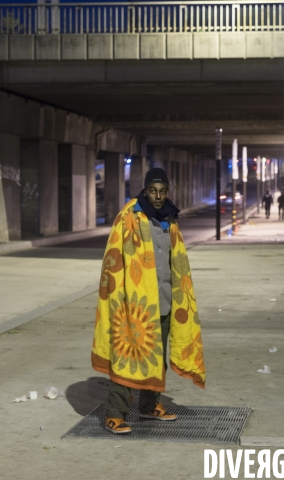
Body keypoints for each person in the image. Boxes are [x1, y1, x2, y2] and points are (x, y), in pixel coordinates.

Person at [91, 168, 206, 434]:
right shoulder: (128, 218)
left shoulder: (170, 219)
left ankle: (148, 406)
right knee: (126, 356)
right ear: (144, 190)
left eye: (162, 191)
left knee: (158, 357)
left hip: (164, 301)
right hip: (135, 304)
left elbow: (175, 261)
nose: (157, 196)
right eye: (153, 191)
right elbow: (114, 259)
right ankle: (114, 413)